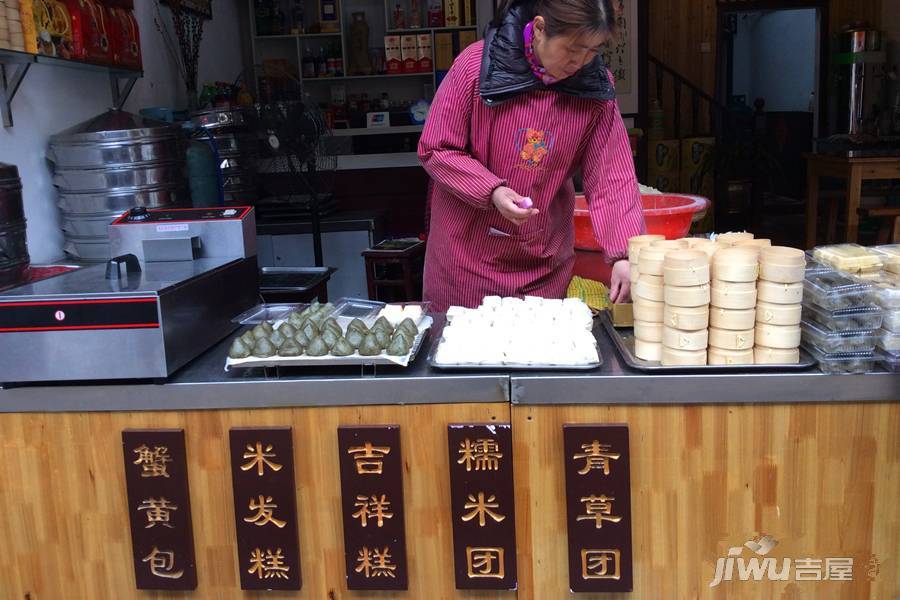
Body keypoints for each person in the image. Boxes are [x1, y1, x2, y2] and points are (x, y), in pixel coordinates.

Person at [417, 0, 646, 313]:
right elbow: (436, 148)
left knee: (539, 355)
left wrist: (623, 255)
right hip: (464, 259)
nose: (580, 61)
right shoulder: (475, 66)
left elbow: (612, 177)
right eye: (573, 48)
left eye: (593, 50)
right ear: (539, 29)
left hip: (542, 263)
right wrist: (492, 190)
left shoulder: (595, 91)